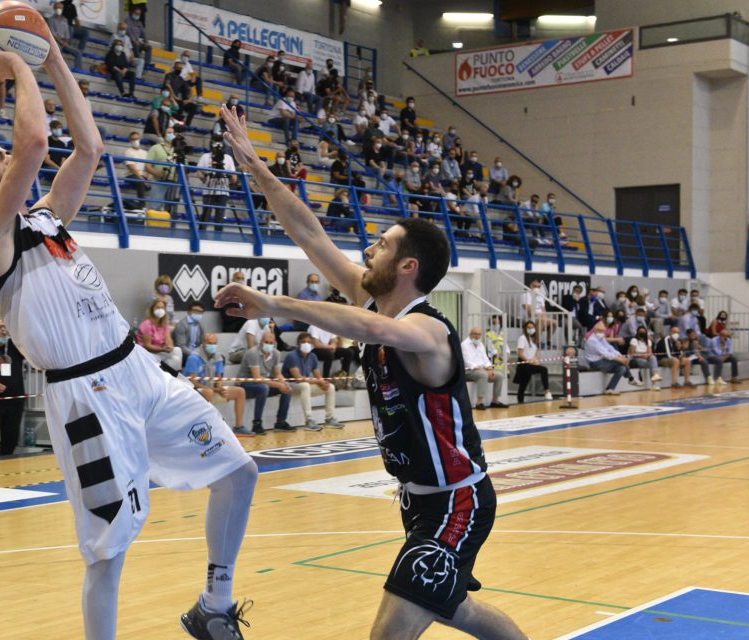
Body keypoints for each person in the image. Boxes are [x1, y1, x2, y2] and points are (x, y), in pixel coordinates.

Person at [0, 40, 257, 638]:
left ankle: (215, 606)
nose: (3, 153)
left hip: (138, 369)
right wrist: (16, 64)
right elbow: (35, 142)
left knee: (239, 472)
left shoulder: (44, 218)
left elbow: (89, 148)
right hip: (85, 395)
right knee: (108, 551)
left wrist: (54, 60)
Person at [214, 103, 527, 640]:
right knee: (458, 611)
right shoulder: (374, 302)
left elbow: (373, 331)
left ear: (408, 267)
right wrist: (255, 167)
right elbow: (310, 235)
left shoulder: (427, 331)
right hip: (418, 502)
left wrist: (275, 303)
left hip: (459, 502)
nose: (367, 249)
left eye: (380, 246)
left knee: (389, 633)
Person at [184, 334, 250, 436]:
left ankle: (239, 427)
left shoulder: (218, 357)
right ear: (203, 344)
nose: (213, 346)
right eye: (210, 343)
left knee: (240, 392)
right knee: (208, 392)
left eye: (215, 343)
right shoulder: (194, 357)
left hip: (211, 389)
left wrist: (220, 387)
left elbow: (218, 379)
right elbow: (193, 382)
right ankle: (210, 427)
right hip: (193, 391)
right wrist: (214, 389)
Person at [282, 334, 340, 430]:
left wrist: (323, 383)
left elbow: (318, 376)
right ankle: (309, 421)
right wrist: (318, 381)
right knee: (305, 385)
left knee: (330, 387)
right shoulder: (291, 356)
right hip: (290, 386)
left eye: (309, 342)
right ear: (298, 344)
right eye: (304, 342)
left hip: (304, 385)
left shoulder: (312, 356)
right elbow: (298, 378)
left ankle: (329, 419)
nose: (306, 344)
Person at [0, 318, 26, 456]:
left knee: (10, 440)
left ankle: (5, 471)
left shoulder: (15, 346)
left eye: (5, 326)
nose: (3, 330)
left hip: (15, 401)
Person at [239, 332, 292, 434]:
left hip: (262, 383)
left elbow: (277, 374)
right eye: (266, 342)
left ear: (275, 343)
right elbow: (257, 378)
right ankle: (257, 423)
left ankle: (281, 422)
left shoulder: (276, 353)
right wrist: (278, 384)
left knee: (287, 389)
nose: (268, 344)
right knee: (263, 388)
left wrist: (284, 383)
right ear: (261, 342)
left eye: (271, 343)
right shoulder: (253, 353)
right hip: (245, 384)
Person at [582, 321, 639, 395]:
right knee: (621, 362)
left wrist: (620, 356)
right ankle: (631, 378)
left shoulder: (601, 337)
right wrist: (620, 359)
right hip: (595, 363)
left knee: (622, 368)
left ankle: (610, 389)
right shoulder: (592, 340)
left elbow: (610, 348)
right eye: (600, 331)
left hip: (603, 361)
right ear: (595, 330)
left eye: (603, 331)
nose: (602, 332)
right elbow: (606, 354)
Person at [462, 326, 507, 409]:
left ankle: (495, 401)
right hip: (468, 371)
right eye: (475, 334)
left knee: (499, 375)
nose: (477, 336)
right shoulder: (464, 345)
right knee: (483, 375)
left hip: (482, 370)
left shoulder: (480, 344)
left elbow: (485, 359)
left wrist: (490, 368)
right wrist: (484, 370)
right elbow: (468, 362)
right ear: (470, 334)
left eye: (479, 334)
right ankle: (479, 402)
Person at [196, 141, 237, 230]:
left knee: (220, 217)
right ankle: (201, 233)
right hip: (208, 190)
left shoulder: (228, 158)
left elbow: (234, 177)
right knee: (206, 215)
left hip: (223, 191)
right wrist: (205, 179)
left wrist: (228, 179)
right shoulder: (205, 156)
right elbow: (198, 172)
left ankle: (218, 236)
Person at [136, 299, 184, 374]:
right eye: (157, 308)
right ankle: (171, 375)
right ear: (152, 309)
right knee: (174, 360)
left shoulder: (164, 324)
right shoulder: (147, 324)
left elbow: (168, 339)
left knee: (177, 350)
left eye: (162, 308)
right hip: (148, 353)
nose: (160, 310)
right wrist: (162, 349)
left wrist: (170, 346)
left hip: (160, 351)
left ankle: (172, 374)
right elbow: (147, 346)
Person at [514, 320, 550, 402]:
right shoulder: (522, 338)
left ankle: (520, 402)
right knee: (544, 369)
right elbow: (520, 353)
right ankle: (547, 391)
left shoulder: (533, 340)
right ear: (525, 329)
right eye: (529, 327)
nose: (531, 329)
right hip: (524, 364)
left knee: (523, 385)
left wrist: (536, 360)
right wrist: (529, 361)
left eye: (532, 327)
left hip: (530, 364)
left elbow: (535, 353)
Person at [47, 1, 85, 70]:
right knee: (58, 54)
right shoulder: (51, 20)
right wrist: (62, 42)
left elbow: (67, 34)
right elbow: (53, 35)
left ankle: (79, 71)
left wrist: (66, 42)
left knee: (78, 53)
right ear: (54, 9)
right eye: (57, 8)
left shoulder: (65, 20)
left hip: (64, 43)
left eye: (60, 8)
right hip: (56, 43)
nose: (59, 10)